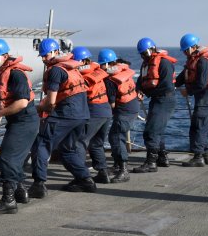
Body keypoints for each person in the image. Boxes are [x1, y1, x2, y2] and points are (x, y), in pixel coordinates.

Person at [28, 38, 96, 195]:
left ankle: (38, 185)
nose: (44, 59)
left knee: (41, 144)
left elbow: (50, 102)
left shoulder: (55, 71)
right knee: (67, 148)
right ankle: (85, 180)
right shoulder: (72, 68)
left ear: (55, 52)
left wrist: (35, 110)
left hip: (66, 114)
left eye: (46, 55)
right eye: (42, 56)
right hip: (83, 115)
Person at [0, 38, 38, 214]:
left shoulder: (16, 74)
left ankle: (8, 200)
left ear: (4, 56)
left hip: (26, 121)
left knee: (7, 158)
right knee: (13, 157)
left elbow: (21, 103)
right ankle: (20, 191)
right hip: (18, 122)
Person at [175, 34, 208, 167]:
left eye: (186, 50)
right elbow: (182, 77)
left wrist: (187, 91)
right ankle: (204, 155)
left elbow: (201, 84)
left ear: (193, 48)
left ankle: (198, 157)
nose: (184, 53)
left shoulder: (203, 62)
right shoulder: (192, 61)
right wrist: (172, 84)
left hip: (207, 100)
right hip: (202, 99)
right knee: (202, 126)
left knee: (198, 127)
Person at [132, 38, 177, 173]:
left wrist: (147, 92)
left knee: (151, 131)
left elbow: (167, 86)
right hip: (156, 100)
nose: (143, 56)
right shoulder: (146, 65)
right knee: (157, 130)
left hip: (165, 100)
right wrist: (139, 89)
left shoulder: (164, 63)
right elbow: (141, 79)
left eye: (145, 53)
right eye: (141, 54)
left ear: (152, 49)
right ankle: (162, 158)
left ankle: (151, 162)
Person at [72, 46, 114, 183]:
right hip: (106, 110)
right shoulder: (97, 71)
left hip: (95, 111)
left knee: (79, 142)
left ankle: (82, 177)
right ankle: (103, 172)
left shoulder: (83, 76)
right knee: (96, 143)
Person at [98, 49, 138, 183]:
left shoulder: (110, 80)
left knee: (115, 136)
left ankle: (123, 170)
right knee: (116, 135)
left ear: (107, 64)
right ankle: (117, 166)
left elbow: (112, 104)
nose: (100, 67)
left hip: (124, 111)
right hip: (132, 107)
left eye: (101, 64)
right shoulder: (122, 71)